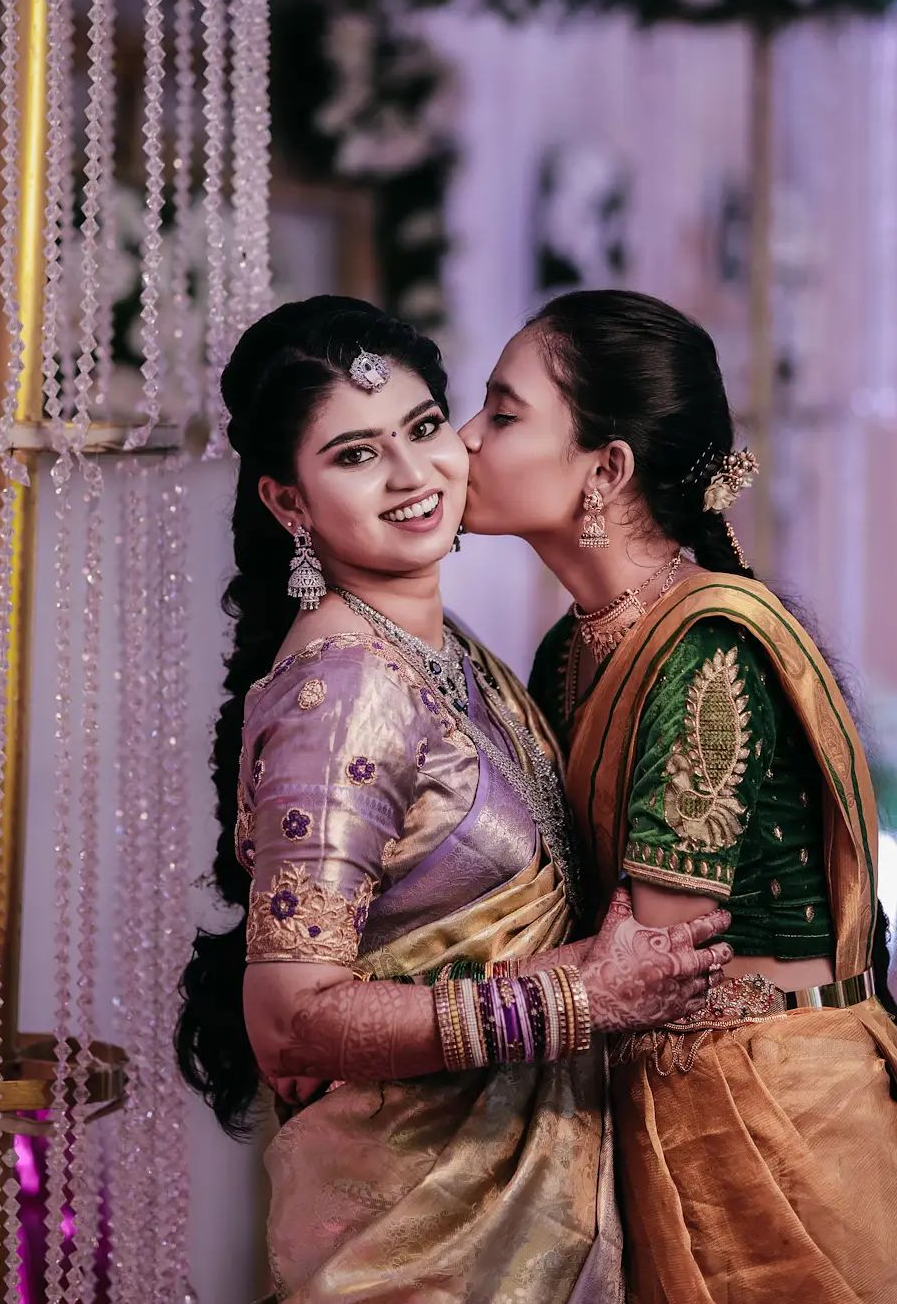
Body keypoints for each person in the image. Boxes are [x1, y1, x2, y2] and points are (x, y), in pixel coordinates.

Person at [175, 295, 730, 1303]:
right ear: (288, 503)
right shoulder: (341, 691)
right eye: (354, 455)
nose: (412, 474)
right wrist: (578, 997)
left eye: (426, 429)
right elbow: (289, 1022)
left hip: (527, 1224)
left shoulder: (446, 650)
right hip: (417, 1250)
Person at [459, 287, 897, 1304]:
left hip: (776, 1125)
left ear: (605, 469)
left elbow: (647, 961)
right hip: (668, 1111)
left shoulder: (706, 650)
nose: (468, 440)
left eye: (504, 412)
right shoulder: (570, 648)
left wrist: (391, 1012)